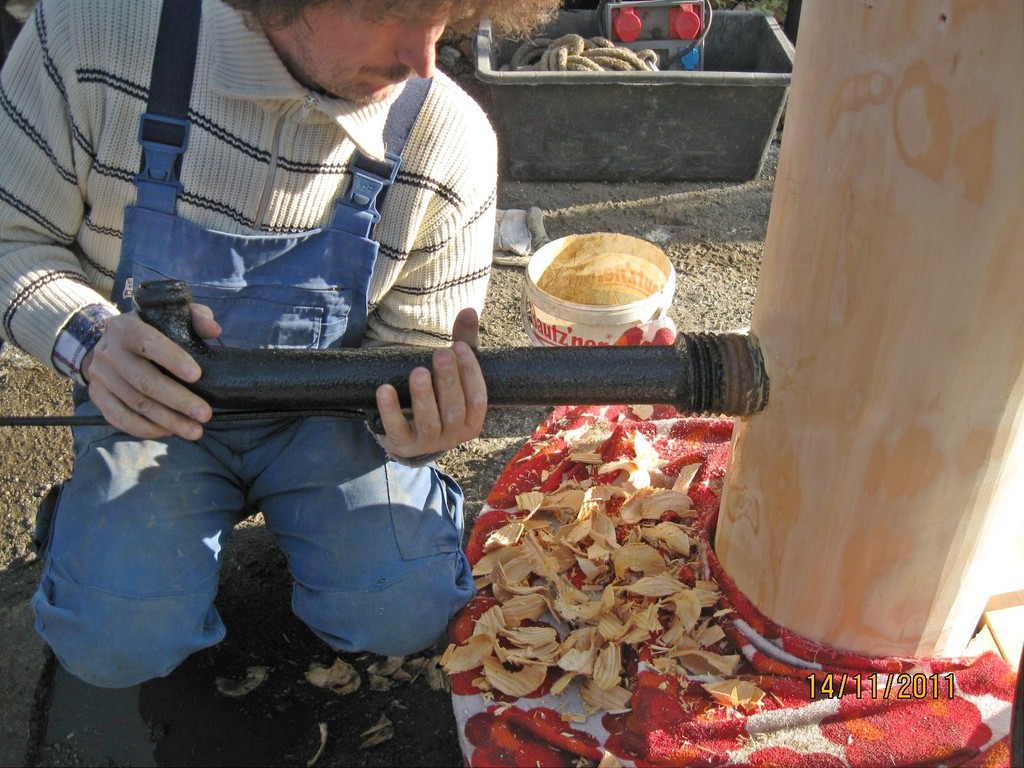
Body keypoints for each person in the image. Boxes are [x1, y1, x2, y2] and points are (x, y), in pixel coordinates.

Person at [0, 0, 558, 688]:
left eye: (443, 14)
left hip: (329, 419)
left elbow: (416, 350)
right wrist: (88, 338)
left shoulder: (446, 138)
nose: (423, 59)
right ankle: (94, 533)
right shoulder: (93, 33)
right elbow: (10, 238)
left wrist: (423, 428)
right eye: (386, 11)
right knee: (113, 643)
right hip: (148, 408)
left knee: (406, 609)